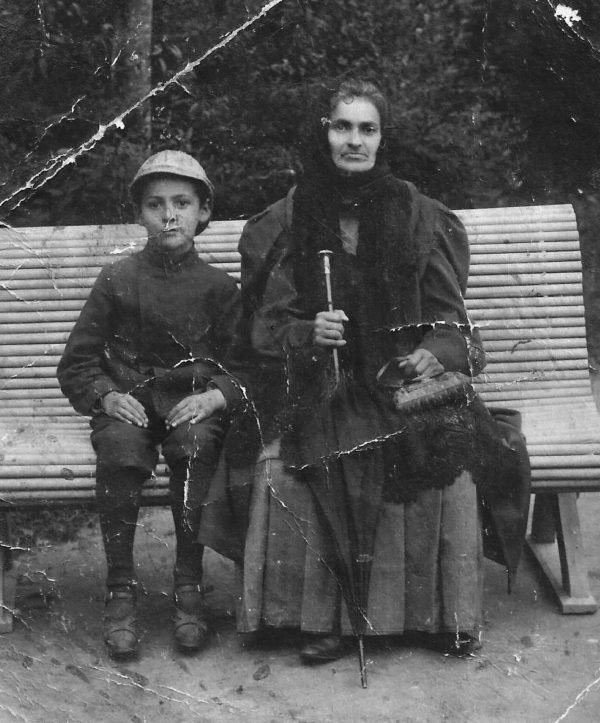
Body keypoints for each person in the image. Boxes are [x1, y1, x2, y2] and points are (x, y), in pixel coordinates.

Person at [226, 79, 520, 664]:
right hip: (321, 379)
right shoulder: (291, 215)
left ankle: (444, 615)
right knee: (313, 458)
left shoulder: (417, 213)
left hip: (399, 384)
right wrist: (308, 333)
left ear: (383, 138)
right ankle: (324, 619)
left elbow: (451, 321)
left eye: (367, 128)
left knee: (450, 454)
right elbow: (262, 325)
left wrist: (436, 351)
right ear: (324, 133)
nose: (354, 141)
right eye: (342, 127)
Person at [57, 150, 244, 658]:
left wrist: (214, 396)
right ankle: (120, 589)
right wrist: (107, 394)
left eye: (182, 203)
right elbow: (76, 363)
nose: (169, 215)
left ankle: (188, 586)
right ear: (139, 213)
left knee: (197, 444)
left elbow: (248, 368)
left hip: (190, 409)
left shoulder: (221, 289)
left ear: (203, 212)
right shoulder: (118, 279)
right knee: (118, 448)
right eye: (155, 204)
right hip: (131, 407)